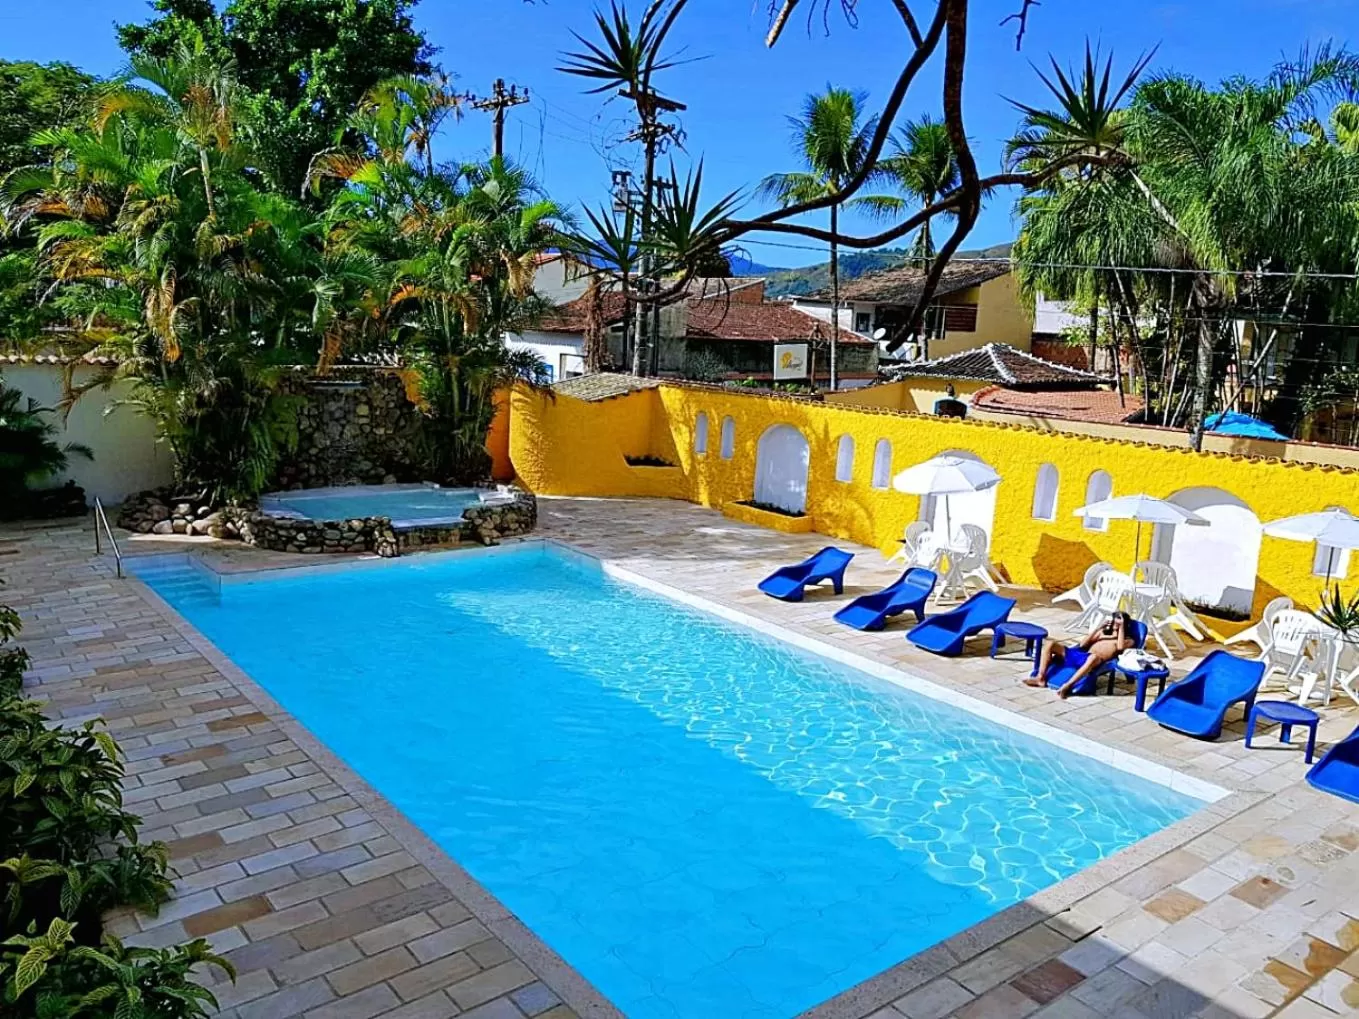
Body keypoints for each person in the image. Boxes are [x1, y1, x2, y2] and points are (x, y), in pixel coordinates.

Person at [1025, 611, 1136, 699]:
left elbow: (1120, 647)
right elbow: (1083, 644)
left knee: (1093, 657)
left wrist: (1121, 627)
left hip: (1094, 660)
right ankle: (1040, 677)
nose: (1116, 622)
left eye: (1119, 621)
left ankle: (1067, 686)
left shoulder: (1129, 640)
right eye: (1115, 620)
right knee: (1050, 644)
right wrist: (1098, 629)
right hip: (1081, 655)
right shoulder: (1102, 633)